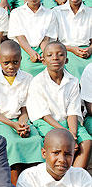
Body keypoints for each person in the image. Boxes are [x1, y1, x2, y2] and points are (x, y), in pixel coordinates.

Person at [0, 40, 43, 186]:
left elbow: (25, 109)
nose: (11, 66)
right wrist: (13, 125)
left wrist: (22, 124)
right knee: (12, 143)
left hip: (19, 120)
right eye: (6, 62)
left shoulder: (27, 78)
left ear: (21, 59)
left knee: (36, 141)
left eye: (15, 62)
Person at [27, 41, 92, 169]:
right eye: (50, 55)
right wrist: (65, 132)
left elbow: (73, 112)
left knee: (87, 142)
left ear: (67, 60)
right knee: (59, 141)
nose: (55, 58)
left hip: (68, 122)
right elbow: (44, 114)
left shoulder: (73, 81)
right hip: (47, 122)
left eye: (60, 55)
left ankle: (75, 176)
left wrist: (72, 134)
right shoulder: (37, 82)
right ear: (44, 61)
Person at [8, 0, 56, 77]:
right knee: (28, 68)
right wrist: (31, 53)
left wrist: (44, 54)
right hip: (23, 49)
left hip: (43, 49)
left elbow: (46, 39)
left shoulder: (50, 14)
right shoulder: (16, 13)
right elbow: (20, 38)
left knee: (51, 67)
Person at [53, 0, 92, 80]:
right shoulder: (57, 12)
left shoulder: (90, 13)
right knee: (72, 66)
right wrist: (71, 49)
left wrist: (90, 49)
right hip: (65, 50)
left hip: (86, 52)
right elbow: (52, 41)